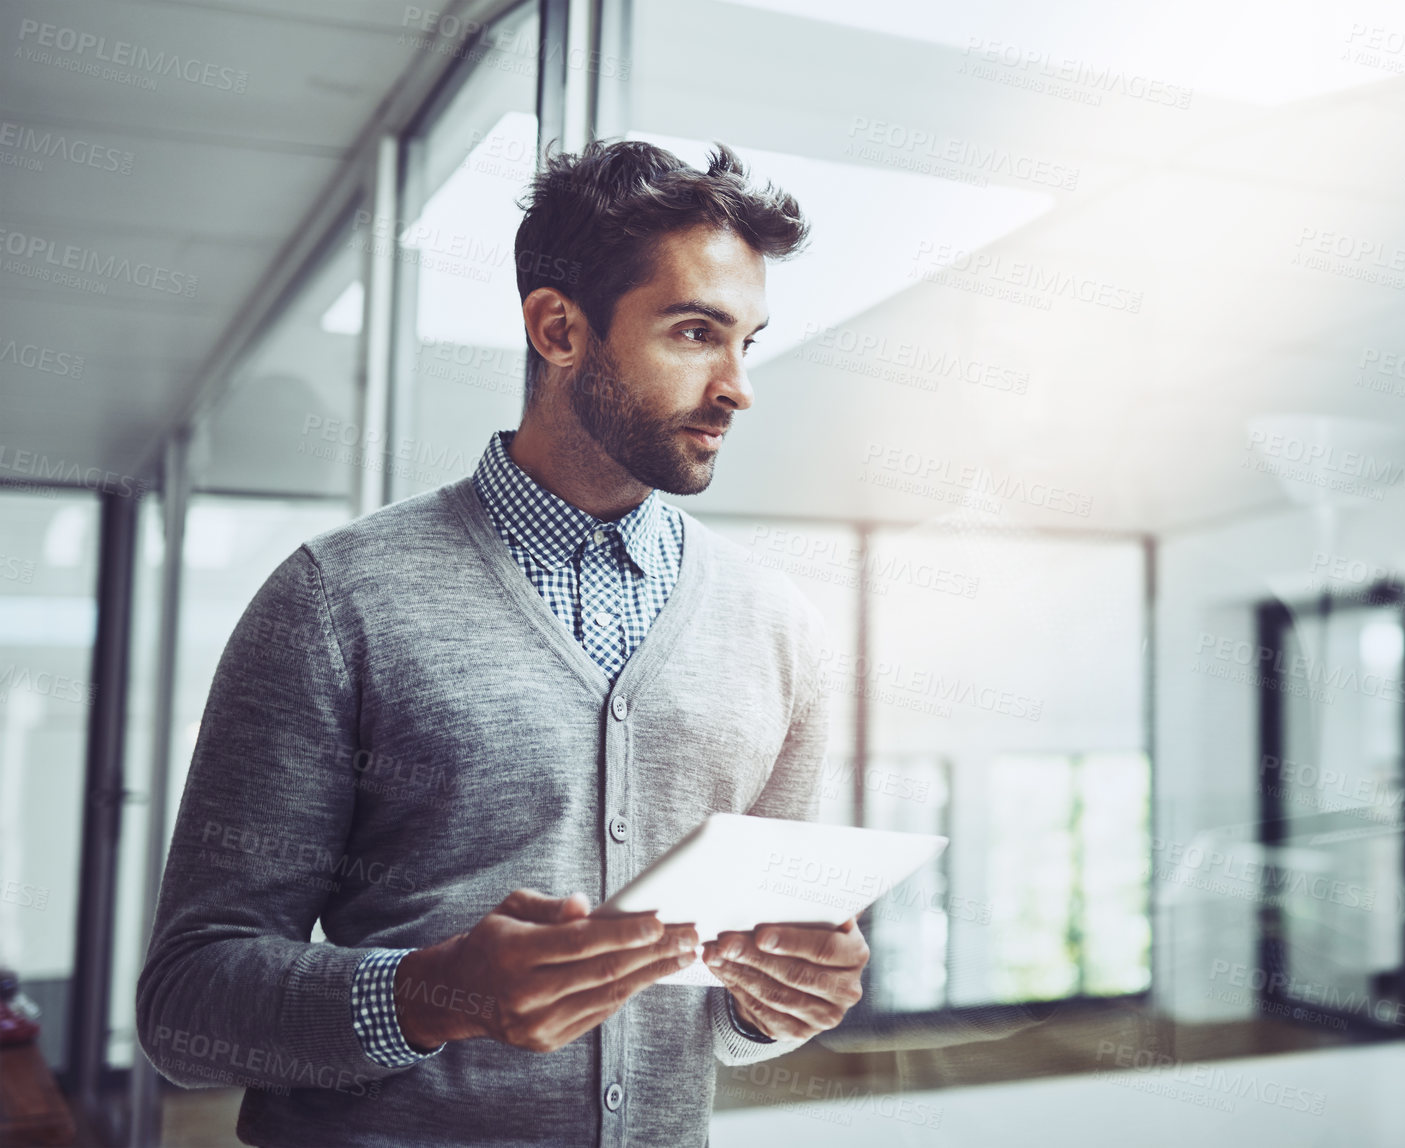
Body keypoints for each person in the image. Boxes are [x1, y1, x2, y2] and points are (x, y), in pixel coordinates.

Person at [137, 139, 867, 1147]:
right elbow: (186, 1007)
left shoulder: (780, 626)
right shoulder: (336, 599)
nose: (736, 384)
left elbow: (730, 1006)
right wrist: (429, 993)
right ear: (557, 327)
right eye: (697, 331)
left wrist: (776, 998)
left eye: (748, 340)